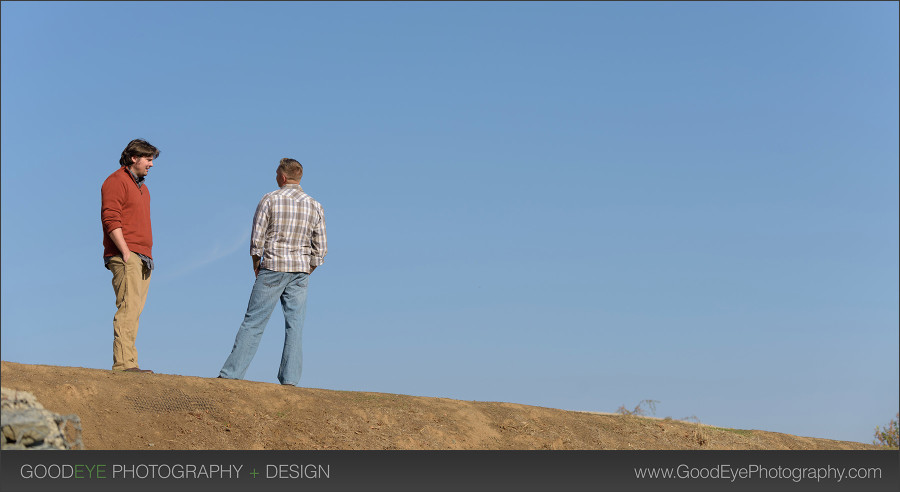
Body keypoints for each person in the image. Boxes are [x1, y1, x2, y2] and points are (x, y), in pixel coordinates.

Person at [219, 158, 327, 385]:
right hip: (300, 270)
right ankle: (290, 380)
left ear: (283, 176)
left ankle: (232, 375)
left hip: (273, 267)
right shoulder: (314, 204)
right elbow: (321, 248)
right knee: (295, 325)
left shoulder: (270, 199)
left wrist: (256, 263)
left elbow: (257, 237)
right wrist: (308, 269)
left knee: (254, 322)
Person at [100, 138, 159, 373]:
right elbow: (110, 219)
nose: (151, 164)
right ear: (134, 158)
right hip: (127, 255)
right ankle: (124, 365)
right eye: (148, 159)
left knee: (134, 310)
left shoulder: (142, 188)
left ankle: (130, 363)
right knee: (127, 308)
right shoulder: (115, 181)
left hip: (143, 257)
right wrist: (125, 252)